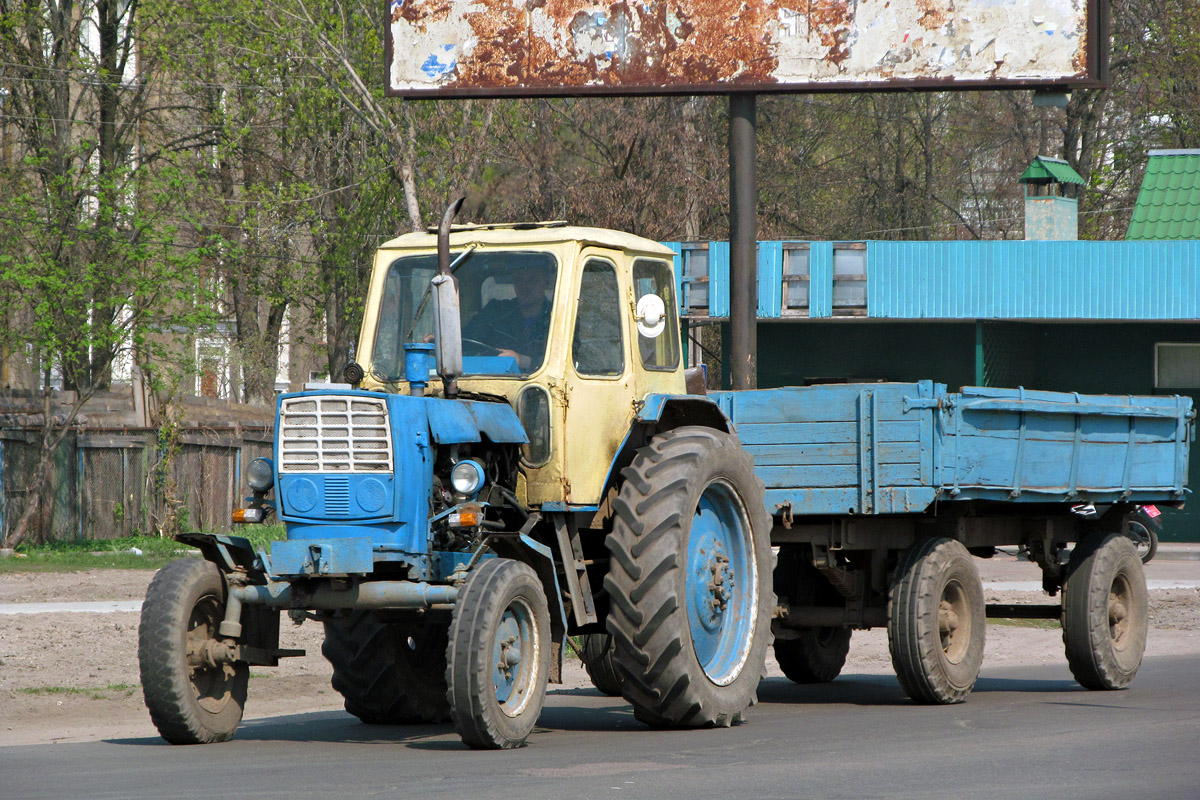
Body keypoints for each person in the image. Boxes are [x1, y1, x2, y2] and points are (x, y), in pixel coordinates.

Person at [462, 264, 554, 372]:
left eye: (532, 280)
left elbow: (569, 360)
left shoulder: (559, 317)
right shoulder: (495, 311)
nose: (525, 287)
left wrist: (523, 360)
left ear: (546, 282)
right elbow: (466, 340)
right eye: (519, 280)